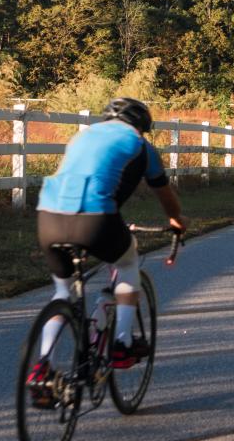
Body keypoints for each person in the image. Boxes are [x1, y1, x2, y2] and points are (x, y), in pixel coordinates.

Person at [30, 97, 186, 389]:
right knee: (127, 264)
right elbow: (165, 195)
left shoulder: (81, 136)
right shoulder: (141, 145)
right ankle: (122, 344)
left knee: (63, 291)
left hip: (48, 217)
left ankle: (43, 367)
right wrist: (177, 220)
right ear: (141, 125)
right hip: (96, 219)